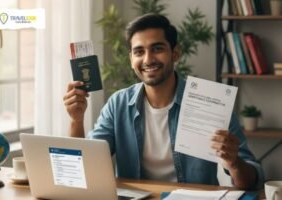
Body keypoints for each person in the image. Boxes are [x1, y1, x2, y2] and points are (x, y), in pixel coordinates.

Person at [63, 13, 263, 189]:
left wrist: (234, 162)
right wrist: (76, 120)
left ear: (175, 53)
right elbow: (83, 170)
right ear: (131, 59)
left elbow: (253, 180)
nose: (148, 59)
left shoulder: (211, 102)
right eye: (139, 52)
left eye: (157, 48)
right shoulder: (118, 104)